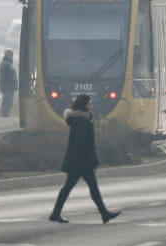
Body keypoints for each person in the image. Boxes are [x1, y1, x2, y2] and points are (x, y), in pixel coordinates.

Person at [49, 94, 120, 224]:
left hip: (77, 160)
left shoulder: (80, 120)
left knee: (71, 187)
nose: (91, 106)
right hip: (81, 161)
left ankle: (56, 213)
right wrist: (91, 159)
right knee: (90, 188)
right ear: (84, 105)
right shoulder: (82, 121)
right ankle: (104, 213)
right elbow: (83, 142)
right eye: (89, 104)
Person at [0, 49, 18, 118]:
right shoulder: (6, 64)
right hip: (8, 87)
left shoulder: (6, 63)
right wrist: (13, 83)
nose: (12, 56)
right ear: (8, 55)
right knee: (7, 103)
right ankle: (5, 117)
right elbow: (8, 76)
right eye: (11, 54)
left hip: (8, 87)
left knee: (8, 103)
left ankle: (5, 115)